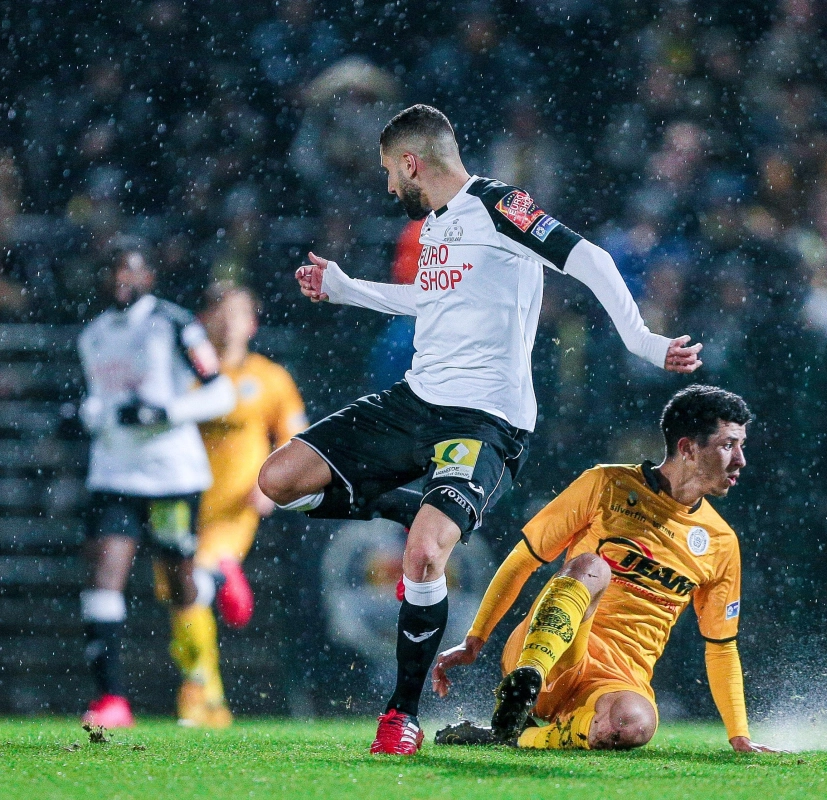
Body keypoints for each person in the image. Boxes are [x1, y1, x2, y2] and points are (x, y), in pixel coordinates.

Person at [256, 104, 702, 755]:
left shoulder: (499, 205)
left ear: (413, 161)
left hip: (484, 419)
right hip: (414, 401)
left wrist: (642, 340)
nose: (387, 187)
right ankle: (411, 505)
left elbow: (590, 259)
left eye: (388, 172)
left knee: (426, 555)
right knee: (279, 480)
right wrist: (347, 288)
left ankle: (400, 716)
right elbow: (431, 302)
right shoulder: (439, 225)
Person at [432, 386, 776, 753]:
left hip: (616, 681)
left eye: (741, 446)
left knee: (635, 725)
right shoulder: (605, 484)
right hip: (550, 649)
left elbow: (721, 645)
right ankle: (527, 680)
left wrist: (739, 735)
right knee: (592, 566)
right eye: (728, 445)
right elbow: (524, 559)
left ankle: (515, 736)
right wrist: (476, 638)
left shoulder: (721, 541)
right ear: (688, 448)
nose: (740, 459)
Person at [77, 248, 237, 728]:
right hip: (113, 476)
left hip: (171, 477)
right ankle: (111, 699)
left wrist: (164, 411)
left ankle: (214, 581)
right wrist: (91, 416)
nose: (121, 278)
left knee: (179, 585)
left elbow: (220, 391)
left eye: (130, 268)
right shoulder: (93, 334)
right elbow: (92, 403)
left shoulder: (175, 323)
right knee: (105, 578)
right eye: (113, 269)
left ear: (149, 274)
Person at [165, 282, 307, 727]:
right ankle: (206, 692)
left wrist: (271, 486)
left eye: (238, 313)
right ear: (203, 319)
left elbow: (295, 437)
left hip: (233, 507)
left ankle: (202, 695)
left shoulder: (270, 378)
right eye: (220, 312)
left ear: (253, 322)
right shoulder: (182, 372)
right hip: (181, 498)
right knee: (180, 600)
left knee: (192, 585)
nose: (228, 323)